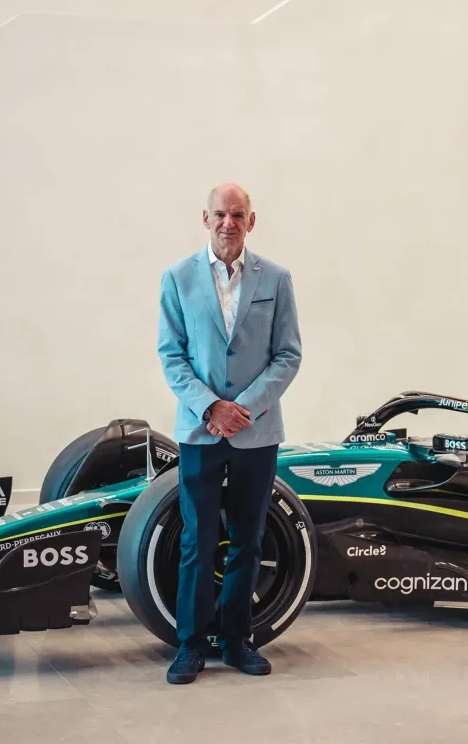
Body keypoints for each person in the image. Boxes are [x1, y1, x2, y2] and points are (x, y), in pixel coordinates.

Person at [156, 183, 302, 684]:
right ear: (205, 217)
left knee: (247, 540)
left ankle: (239, 641)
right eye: (220, 213)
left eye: (237, 214)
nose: (228, 222)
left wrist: (242, 410)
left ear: (251, 221)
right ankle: (191, 645)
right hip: (199, 432)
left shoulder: (277, 279)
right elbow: (171, 355)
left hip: (255, 434)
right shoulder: (177, 278)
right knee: (198, 540)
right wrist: (210, 407)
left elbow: (288, 355)